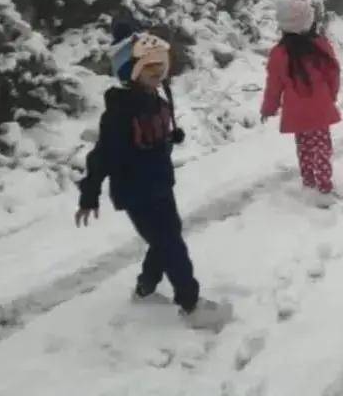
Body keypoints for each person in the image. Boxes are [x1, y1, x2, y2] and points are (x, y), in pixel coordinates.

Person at [75, 18, 232, 331]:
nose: (159, 72)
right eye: (150, 68)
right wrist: (89, 194)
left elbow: (151, 135)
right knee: (171, 244)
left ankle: (145, 289)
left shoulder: (155, 97)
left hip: (159, 183)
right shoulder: (119, 114)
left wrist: (168, 138)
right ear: (130, 72)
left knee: (167, 236)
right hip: (136, 192)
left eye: (162, 65)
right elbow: (102, 156)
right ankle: (190, 304)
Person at [261, 0, 343, 202]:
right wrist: (330, 96)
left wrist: (268, 109)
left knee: (304, 147)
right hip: (320, 107)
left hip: (296, 112)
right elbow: (333, 74)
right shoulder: (321, 47)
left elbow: (274, 86)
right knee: (322, 148)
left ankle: (308, 181)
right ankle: (324, 186)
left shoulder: (279, 53)